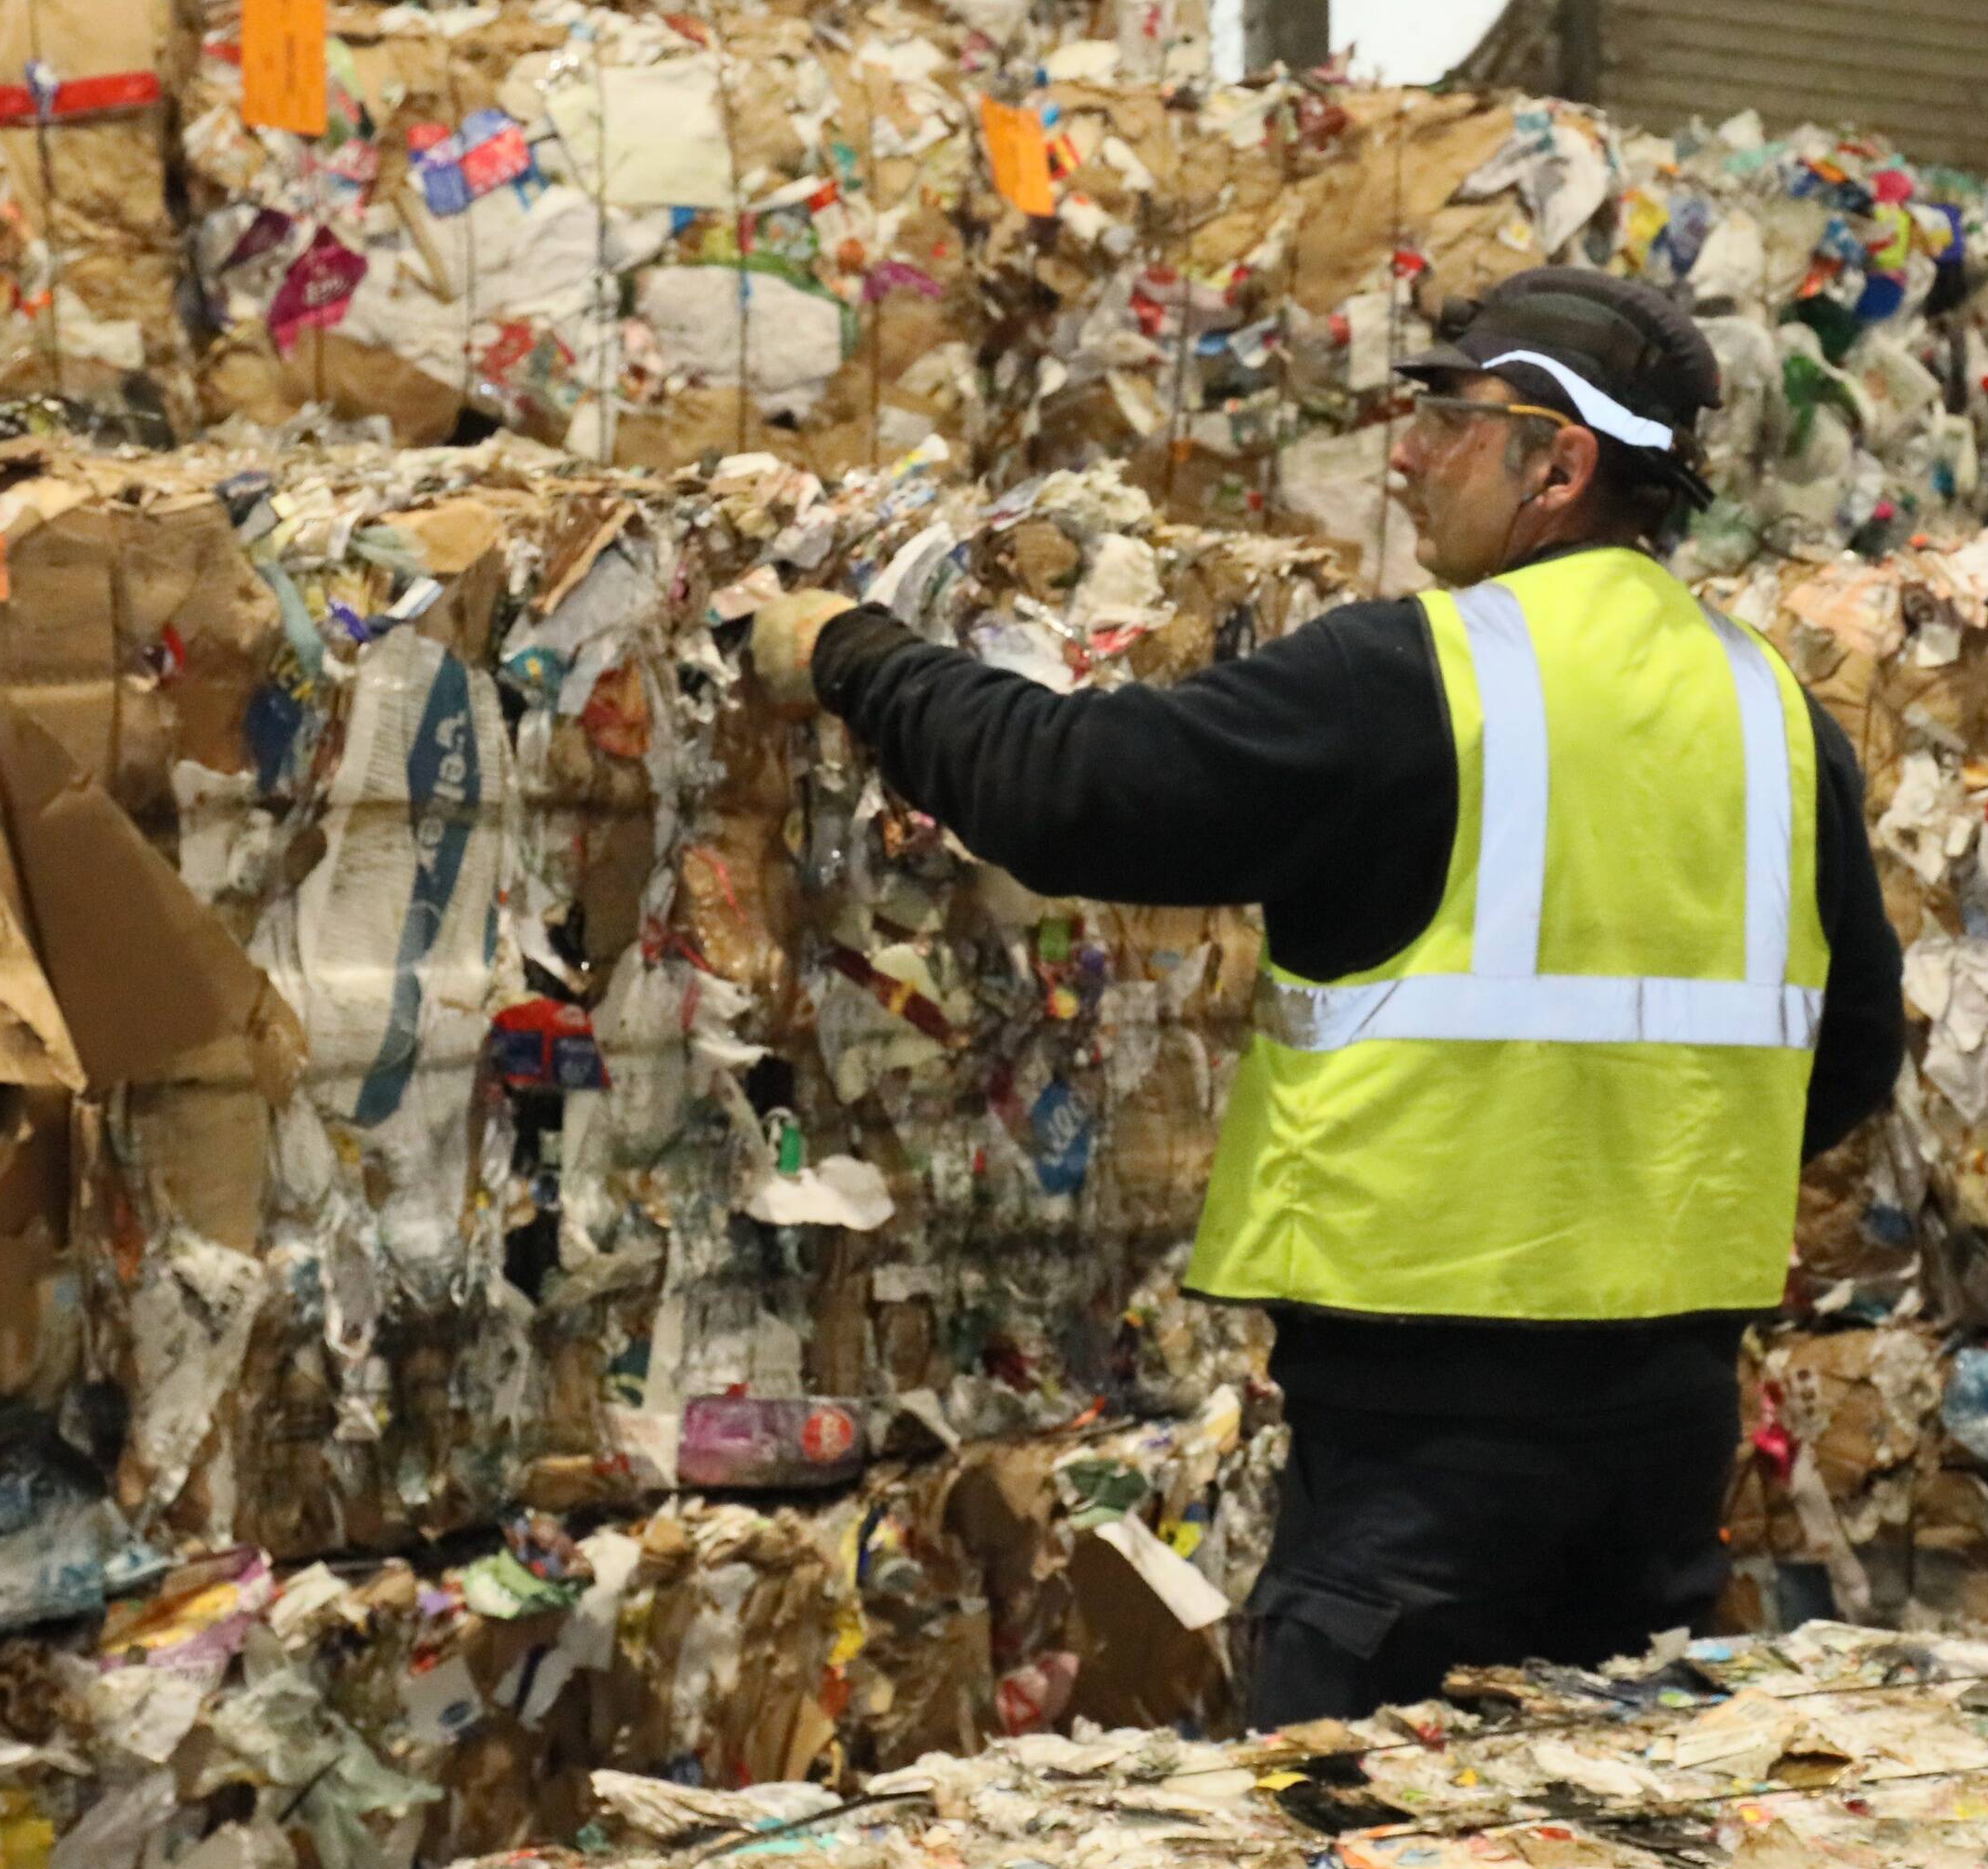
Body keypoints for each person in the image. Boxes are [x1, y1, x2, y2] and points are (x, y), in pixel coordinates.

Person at [749, 266, 1902, 1722]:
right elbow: (1849, 1053)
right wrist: (1627, 1174)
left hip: (1423, 1456)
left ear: (1562, 463)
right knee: (1606, 1864)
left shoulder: (1415, 680)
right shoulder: (1778, 716)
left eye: (1448, 417)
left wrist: (854, 654)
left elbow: (1072, 791)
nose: (1406, 456)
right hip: (1668, 1438)